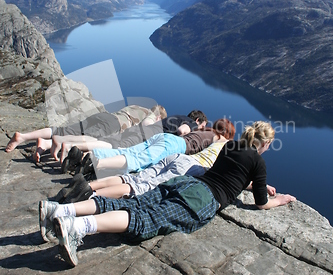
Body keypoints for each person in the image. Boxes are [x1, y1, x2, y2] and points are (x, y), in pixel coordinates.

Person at [39, 121, 296, 267]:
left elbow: (225, 174)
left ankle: (61, 210)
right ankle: (77, 227)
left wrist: (246, 184)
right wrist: (280, 200)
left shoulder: (229, 145)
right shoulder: (258, 163)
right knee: (145, 220)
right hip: (202, 200)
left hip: (185, 182)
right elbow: (261, 204)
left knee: (137, 201)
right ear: (266, 144)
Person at [59, 119, 236, 202]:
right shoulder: (218, 138)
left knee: (127, 151)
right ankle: (94, 163)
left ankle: (84, 156)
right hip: (177, 147)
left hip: (165, 137)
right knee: (136, 162)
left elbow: (183, 130)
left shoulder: (202, 130)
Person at [5, 104, 167, 162]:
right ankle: (48, 143)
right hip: (113, 125)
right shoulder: (152, 114)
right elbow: (146, 124)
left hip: (105, 116)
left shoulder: (137, 106)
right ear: (159, 116)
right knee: (87, 139)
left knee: (65, 129)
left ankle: (23, 137)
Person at [59, 110, 208, 170]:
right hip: (150, 135)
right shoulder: (190, 123)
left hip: (142, 129)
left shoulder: (178, 116)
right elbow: (183, 131)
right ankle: (73, 146)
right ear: (197, 120)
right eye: (202, 126)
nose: (200, 130)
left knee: (113, 141)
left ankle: (76, 155)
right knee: (114, 146)